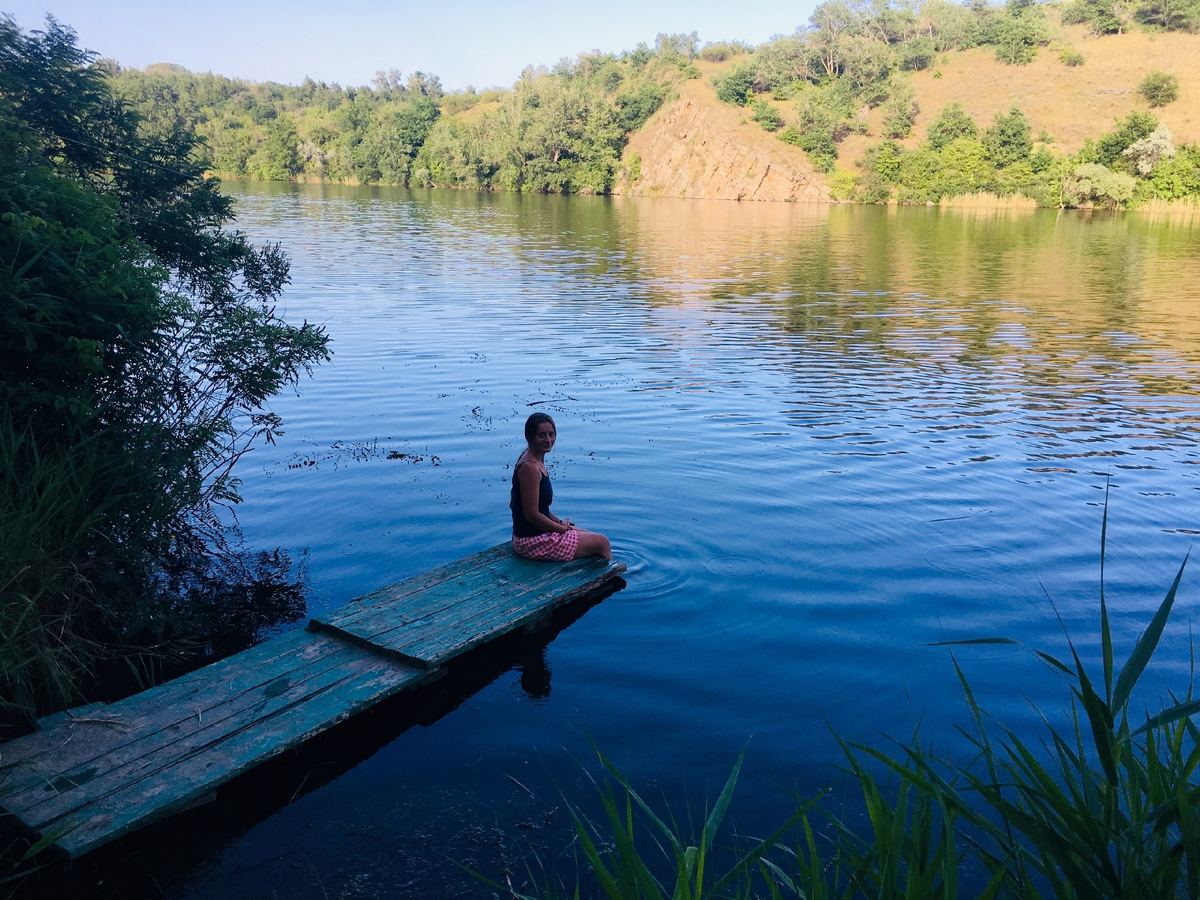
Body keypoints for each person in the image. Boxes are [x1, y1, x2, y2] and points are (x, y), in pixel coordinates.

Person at [510, 413, 612, 561]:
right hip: (531, 542)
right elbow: (532, 516)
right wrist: (561, 529)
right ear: (529, 437)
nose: (548, 440)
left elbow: (541, 508)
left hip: (536, 535)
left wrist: (558, 522)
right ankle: (611, 578)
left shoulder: (536, 460)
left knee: (593, 536)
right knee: (602, 543)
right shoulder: (530, 468)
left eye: (551, 434)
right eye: (541, 435)